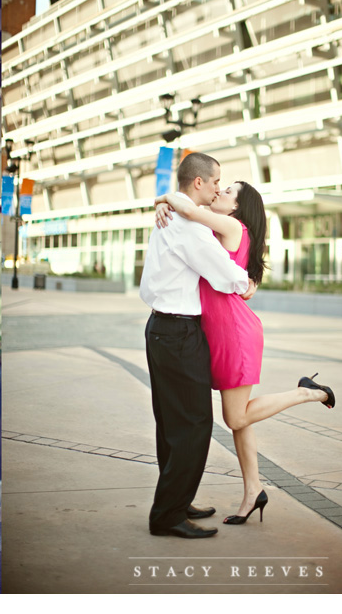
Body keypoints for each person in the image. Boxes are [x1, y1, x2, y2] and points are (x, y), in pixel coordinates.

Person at [154, 177, 335, 527]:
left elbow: (189, 207)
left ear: (237, 205)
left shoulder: (232, 224)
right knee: (241, 417)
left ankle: (307, 392)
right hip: (221, 333)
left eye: (227, 191)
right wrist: (165, 207)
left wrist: (164, 198)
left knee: (235, 418)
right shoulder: (225, 228)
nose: (219, 192)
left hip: (234, 333)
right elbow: (188, 215)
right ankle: (253, 490)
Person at [139, 152, 254, 540]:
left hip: (161, 328)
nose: (220, 186)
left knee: (172, 422)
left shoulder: (176, 213)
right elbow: (222, 274)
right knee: (193, 424)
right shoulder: (189, 227)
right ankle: (168, 515)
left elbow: (180, 203)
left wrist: (168, 198)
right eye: (216, 180)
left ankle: (176, 499)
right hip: (178, 333)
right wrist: (247, 284)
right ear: (200, 183)